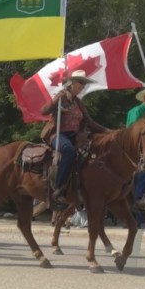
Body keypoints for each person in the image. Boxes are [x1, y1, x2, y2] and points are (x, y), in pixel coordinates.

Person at [40, 72, 109, 206]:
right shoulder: (60, 97)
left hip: (75, 136)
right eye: (80, 83)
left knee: (92, 152)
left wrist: (108, 132)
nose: (82, 86)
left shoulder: (78, 102)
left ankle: (80, 187)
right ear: (71, 84)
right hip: (58, 134)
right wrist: (54, 101)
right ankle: (59, 188)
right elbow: (43, 111)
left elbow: (90, 122)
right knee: (68, 151)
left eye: (83, 84)